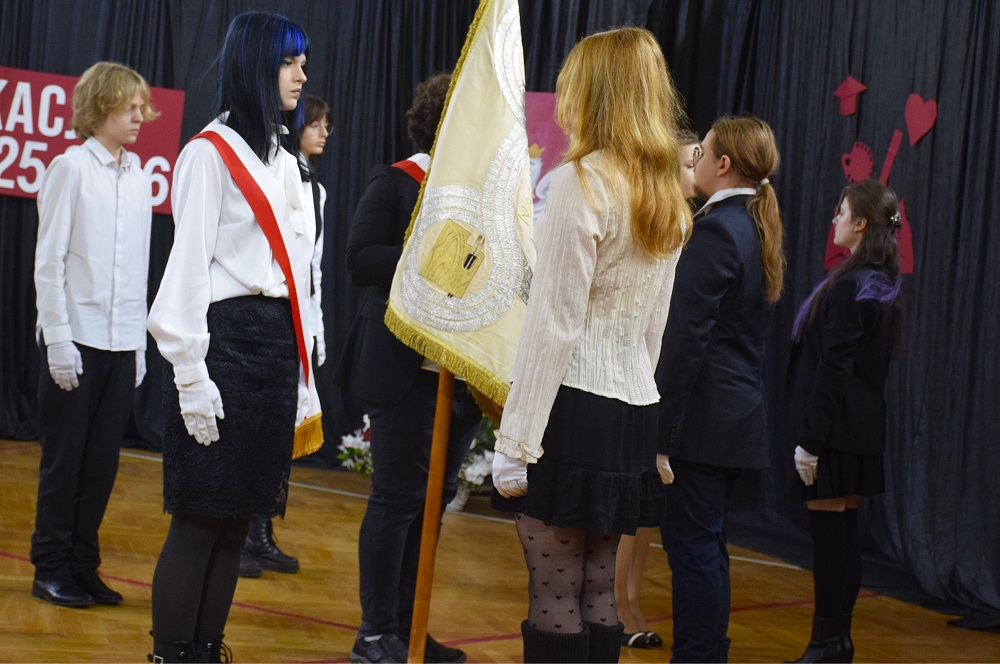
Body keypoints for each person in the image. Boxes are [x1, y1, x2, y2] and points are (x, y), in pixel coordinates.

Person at [490, 27, 689, 664]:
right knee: (598, 588)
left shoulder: (583, 181)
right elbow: (654, 329)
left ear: (593, 92)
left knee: (555, 591)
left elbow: (553, 325)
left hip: (572, 408)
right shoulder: (665, 192)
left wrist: (516, 440)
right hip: (632, 411)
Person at [145, 11, 312, 662]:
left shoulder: (285, 160)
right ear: (255, 64)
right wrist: (191, 377)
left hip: (271, 349)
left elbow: (298, 277)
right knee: (199, 518)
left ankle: (207, 650)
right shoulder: (206, 154)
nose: (301, 75)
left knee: (238, 521)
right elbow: (185, 273)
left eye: (303, 63)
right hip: (223, 347)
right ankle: (171, 654)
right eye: (289, 62)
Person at [335, 73, 481, 664]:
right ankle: (374, 633)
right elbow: (359, 260)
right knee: (397, 501)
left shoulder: (483, 198)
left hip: (459, 375)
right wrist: (429, 253)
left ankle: (410, 626)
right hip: (402, 371)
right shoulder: (397, 180)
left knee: (432, 504)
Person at [655, 116, 784, 662]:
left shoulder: (717, 229)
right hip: (734, 417)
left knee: (693, 550)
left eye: (701, 153)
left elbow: (686, 340)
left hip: (704, 423)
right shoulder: (751, 223)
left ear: (723, 164)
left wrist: (661, 433)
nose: (696, 160)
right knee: (707, 546)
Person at [31, 61, 158, 609]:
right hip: (76, 340)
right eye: (130, 107)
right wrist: (58, 338)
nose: (140, 116)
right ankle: (50, 567)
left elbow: (139, 267)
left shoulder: (140, 177)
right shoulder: (71, 168)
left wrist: (139, 344)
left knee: (103, 465)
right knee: (65, 464)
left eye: (141, 107)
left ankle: (83, 566)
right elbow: (49, 261)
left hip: (121, 343)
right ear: (101, 108)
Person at [786, 180, 903, 663]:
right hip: (861, 430)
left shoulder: (854, 285)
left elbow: (834, 369)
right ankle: (838, 642)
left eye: (842, 212)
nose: (834, 218)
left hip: (836, 433)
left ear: (861, 223)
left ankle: (825, 644)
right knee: (844, 537)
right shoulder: (876, 282)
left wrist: (810, 442)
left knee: (831, 544)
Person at [615, 128, 701, 650]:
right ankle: (618, 606)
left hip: (660, 375)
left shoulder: (688, 225)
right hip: (636, 372)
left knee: (645, 507)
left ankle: (631, 601)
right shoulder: (647, 218)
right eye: (690, 163)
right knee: (630, 504)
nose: (698, 172)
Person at [239, 93, 331, 579]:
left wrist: (316, 330)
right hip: (264, 320)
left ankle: (261, 532)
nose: (324, 133)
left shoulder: (318, 190)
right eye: (315, 124)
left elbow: (313, 268)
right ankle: (239, 534)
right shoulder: (273, 173)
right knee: (252, 432)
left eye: (327, 125)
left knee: (279, 434)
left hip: (300, 323)